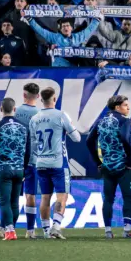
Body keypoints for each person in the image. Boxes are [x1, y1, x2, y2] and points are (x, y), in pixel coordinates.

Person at [29, 86, 81, 240]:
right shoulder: (61, 115)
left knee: (45, 197)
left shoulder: (34, 118)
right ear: (54, 99)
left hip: (40, 162)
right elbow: (77, 138)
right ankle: (56, 227)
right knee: (62, 196)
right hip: (58, 163)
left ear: (41, 99)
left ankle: (46, 231)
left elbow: (32, 144)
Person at [87, 95, 131, 239]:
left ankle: (108, 231)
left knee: (108, 198)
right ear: (117, 107)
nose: (128, 108)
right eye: (126, 105)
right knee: (128, 197)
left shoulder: (101, 121)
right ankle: (127, 230)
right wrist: (130, 160)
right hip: (123, 166)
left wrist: (98, 162)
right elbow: (125, 138)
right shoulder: (124, 120)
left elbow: (89, 141)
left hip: (107, 167)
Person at [0, 98, 29, 241]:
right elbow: (28, 151)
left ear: (1, 110)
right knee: (14, 202)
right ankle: (9, 229)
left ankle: (10, 231)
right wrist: (25, 170)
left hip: (3, 169)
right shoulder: (24, 127)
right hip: (19, 170)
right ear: (14, 109)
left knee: (4, 202)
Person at [13, 83, 44, 239]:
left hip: (14, 159)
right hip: (33, 159)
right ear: (38, 96)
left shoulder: (15, 112)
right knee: (30, 195)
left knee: (11, 195)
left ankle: (6, 228)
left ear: (24, 95)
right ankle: (30, 231)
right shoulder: (40, 114)